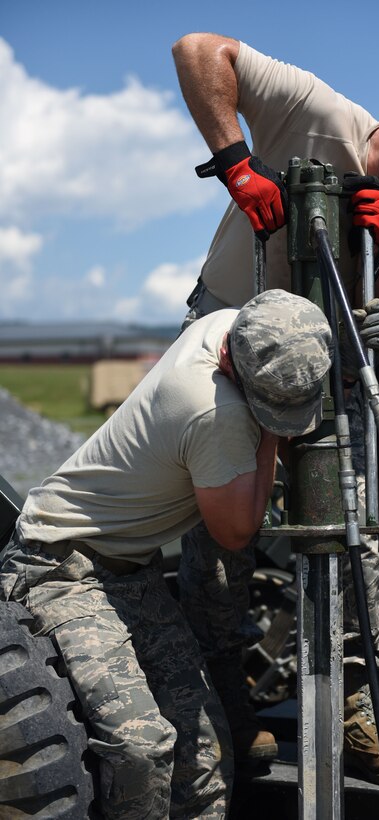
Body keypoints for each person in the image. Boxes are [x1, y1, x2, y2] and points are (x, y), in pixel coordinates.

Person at [171, 32, 379, 785]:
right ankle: (227, 710)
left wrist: (374, 252)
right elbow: (196, 50)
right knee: (221, 532)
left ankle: (353, 711)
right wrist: (236, 164)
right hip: (226, 339)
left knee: (353, 527)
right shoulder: (315, 111)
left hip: (324, 363)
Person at [0, 289, 333, 819]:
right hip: (61, 565)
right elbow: (237, 532)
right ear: (233, 365)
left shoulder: (233, 323)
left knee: (204, 754)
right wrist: (271, 434)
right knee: (142, 746)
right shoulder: (212, 411)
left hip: (130, 572)